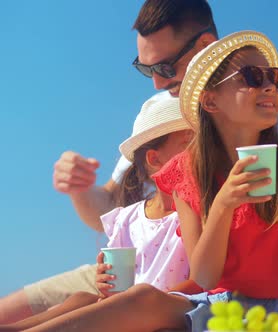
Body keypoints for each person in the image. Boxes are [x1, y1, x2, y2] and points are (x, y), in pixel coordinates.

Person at [0, 0, 278, 324]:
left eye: (166, 65)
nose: (157, 82)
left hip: (198, 277)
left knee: (132, 302)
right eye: (147, 69)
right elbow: (111, 206)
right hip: (152, 262)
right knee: (64, 301)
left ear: (204, 47)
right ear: (209, 102)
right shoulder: (161, 121)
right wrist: (79, 189)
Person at [0, 92, 197, 331]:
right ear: (154, 159)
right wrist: (106, 282)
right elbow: (117, 287)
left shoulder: (197, 211)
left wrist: (126, 301)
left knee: (139, 297)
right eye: (190, 145)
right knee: (81, 298)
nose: (202, 154)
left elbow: (203, 277)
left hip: (165, 306)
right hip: (127, 305)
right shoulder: (128, 219)